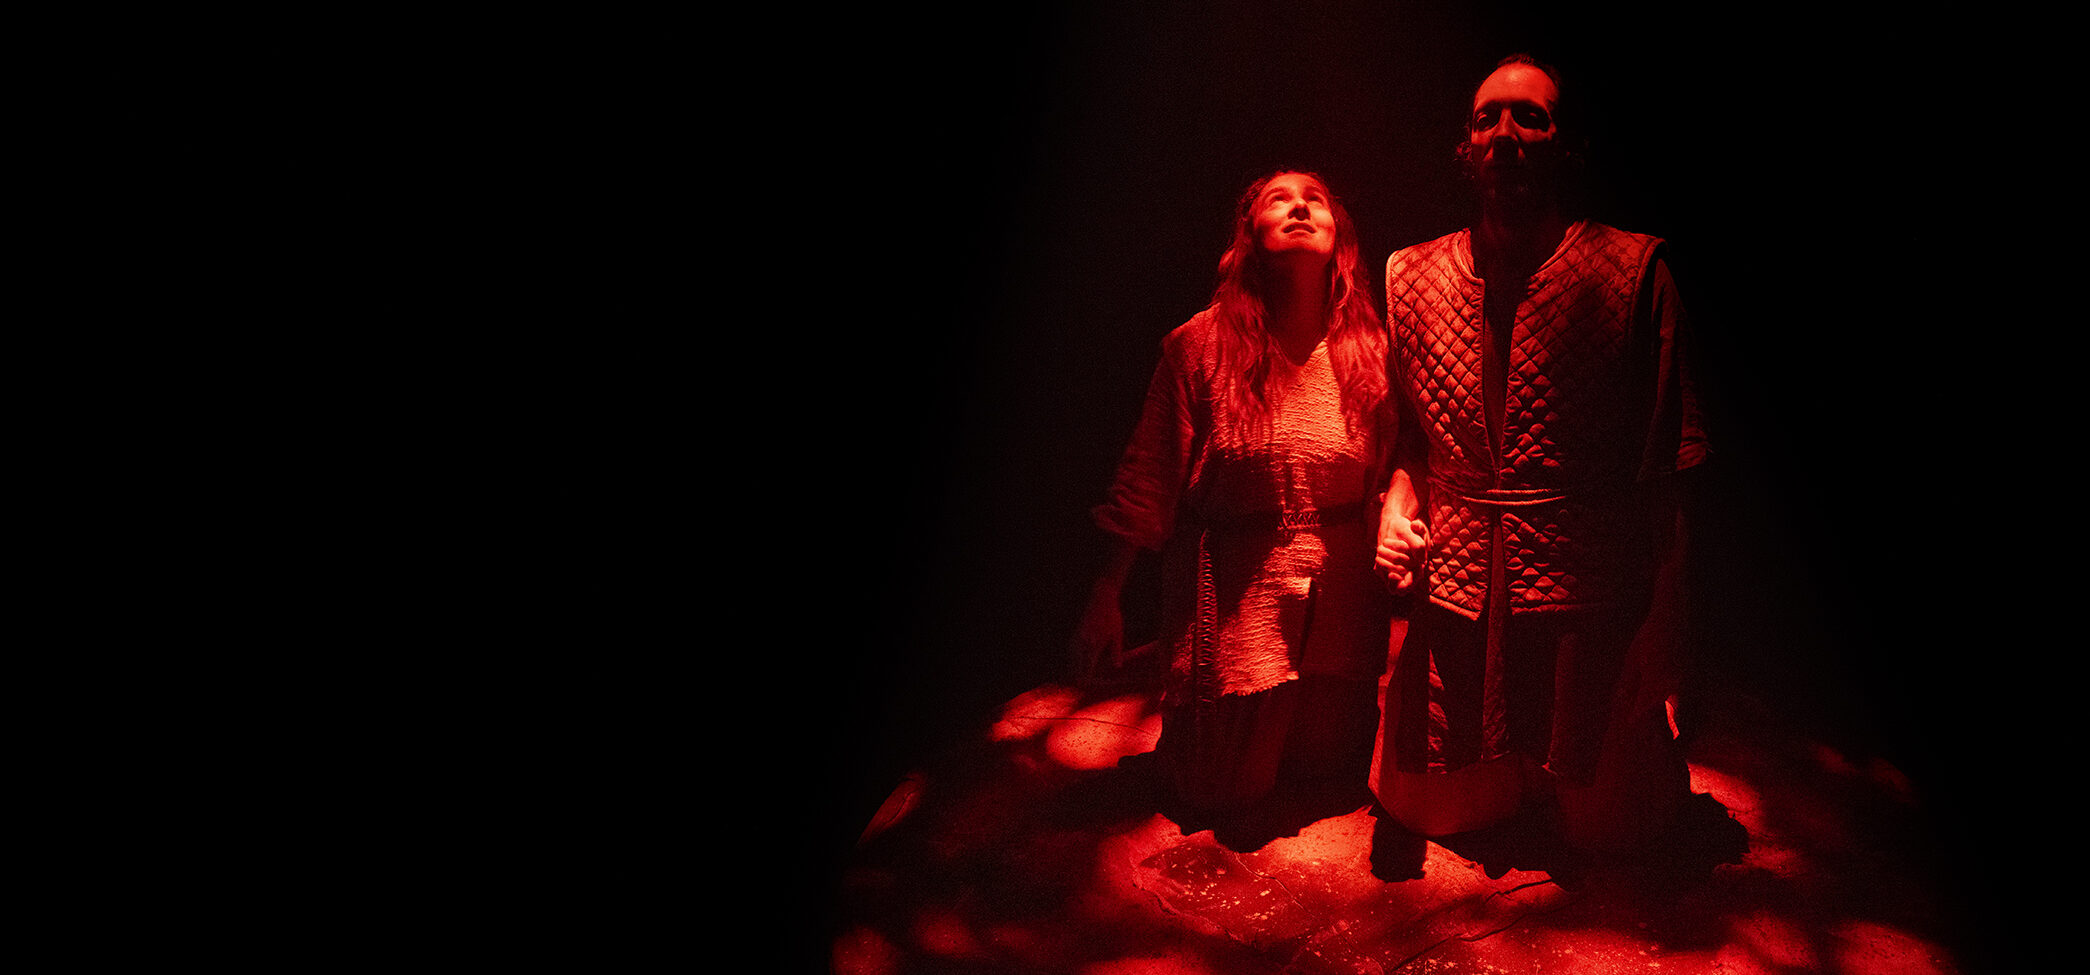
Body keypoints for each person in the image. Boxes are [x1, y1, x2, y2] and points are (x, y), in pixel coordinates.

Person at [1373, 55, 1708, 860]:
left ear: (1567, 144)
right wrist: (1396, 505)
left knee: (1609, 834)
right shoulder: (1411, 275)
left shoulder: (1634, 273)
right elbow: (1413, 440)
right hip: (1459, 592)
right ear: (1465, 148)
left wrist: (1668, 628)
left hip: (1583, 591)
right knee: (1431, 812)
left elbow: (1671, 470)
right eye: (1487, 117)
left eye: (1531, 117)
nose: (1506, 134)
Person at [1076, 171, 1397, 829]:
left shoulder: (1372, 353)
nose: (1300, 206)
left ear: (1340, 239)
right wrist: (1107, 592)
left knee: (1327, 775)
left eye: (1315, 200)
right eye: (1280, 199)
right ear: (1249, 236)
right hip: (1239, 608)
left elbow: (1404, 461)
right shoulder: (1200, 346)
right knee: (1221, 791)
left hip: (1340, 608)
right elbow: (1149, 476)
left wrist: (1399, 509)